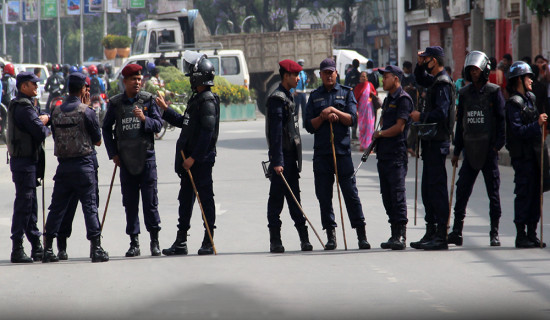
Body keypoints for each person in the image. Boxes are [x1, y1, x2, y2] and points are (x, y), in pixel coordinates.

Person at [41, 72, 109, 263]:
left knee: (56, 209)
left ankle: (48, 249)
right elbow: (97, 141)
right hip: (84, 166)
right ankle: (96, 249)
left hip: (63, 167)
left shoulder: (56, 111)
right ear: (82, 89)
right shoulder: (86, 111)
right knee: (90, 207)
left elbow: (55, 136)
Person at [157, 51, 220, 256]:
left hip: (199, 163)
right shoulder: (197, 99)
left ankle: (208, 240)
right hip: (189, 163)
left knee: (205, 201)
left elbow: (207, 134)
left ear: (198, 76)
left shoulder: (207, 100)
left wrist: (193, 158)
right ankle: (181, 241)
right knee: (185, 201)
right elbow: (185, 123)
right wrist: (166, 110)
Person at [304, 58, 370, 250]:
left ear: (336, 73)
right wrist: (322, 116)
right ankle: (330, 235)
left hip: (342, 153)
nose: (328, 75)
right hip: (322, 154)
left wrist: (334, 111)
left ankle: (361, 234)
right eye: (325, 72)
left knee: (350, 194)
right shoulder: (314, 96)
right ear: (320, 75)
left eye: (331, 72)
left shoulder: (346, 93)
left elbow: (352, 119)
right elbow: (309, 125)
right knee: (324, 197)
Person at [102, 64, 164, 257]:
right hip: (126, 161)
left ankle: (154, 241)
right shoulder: (116, 103)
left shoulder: (148, 100)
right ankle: (133, 242)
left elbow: (158, 125)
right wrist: (113, 154)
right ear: (125, 81)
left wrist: (145, 119)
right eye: (133, 79)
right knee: (130, 203)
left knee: (150, 201)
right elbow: (105, 129)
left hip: (146, 158)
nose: (137, 83)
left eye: (139, 79)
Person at [448, 51, 506, 247]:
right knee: (462, 191)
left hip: (489, 151)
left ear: (484, 70)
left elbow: (501, 121)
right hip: (469, 149)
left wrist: (497, 146)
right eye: (471, 70)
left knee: (493, 194)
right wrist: (456, 151)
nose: (474, 73)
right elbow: (461, 124)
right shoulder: (464, 94)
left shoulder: (494, 92)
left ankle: (494, 232)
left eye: (477, 70)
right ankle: (456, 231)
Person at [263, 59, 312, 253]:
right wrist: (277, 161)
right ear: (286, 76)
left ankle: (304, 239)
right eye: (295, 75)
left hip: (290, 158)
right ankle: (275, 240)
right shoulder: (277, 99)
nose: (298, 78)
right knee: (276, 201)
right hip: (281, 160)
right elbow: (275, 134)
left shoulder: (288, 96)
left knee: (295, 200)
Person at [410, 46, 455, 250]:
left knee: (437, 189)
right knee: (427, 189)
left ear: (434, 61)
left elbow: (442, 113)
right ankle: (431, 230)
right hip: (429, 142)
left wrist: (422, 117)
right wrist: (419, 65)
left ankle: (441, 235)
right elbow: (420, 79)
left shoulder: (443, 83)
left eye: (427, 59)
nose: (425, 61)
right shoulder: (435, 81)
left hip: (438, 142)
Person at [6, 72, 50, 263]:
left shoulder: (25, 105)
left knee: (30, 205)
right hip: (24, 163)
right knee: (24, 205)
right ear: (24, 86)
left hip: (27, 162)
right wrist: (44, 122)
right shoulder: (23, 107)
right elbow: (40, 132)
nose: (36, 87)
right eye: (33, 84)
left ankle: (36, 245)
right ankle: (17, 247)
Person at [505, 61, 548, 248]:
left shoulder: (531, 97)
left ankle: (532, 232)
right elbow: (517, 131)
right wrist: (536, 124)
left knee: (536, 195)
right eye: (528, 77)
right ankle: (521, 235)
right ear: (519, 80)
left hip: (536, 154)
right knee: (524, 194)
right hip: (523, 157)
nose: (531, 79)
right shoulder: (513, 103)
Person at [374, 66, 413, 250]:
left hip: (396, 154)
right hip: (384, 155)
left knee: (397, 195)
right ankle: (393, 233)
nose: (383, 80)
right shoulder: (388, 98)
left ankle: (401, 235)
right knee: (387, 196)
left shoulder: (403, 99)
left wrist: (380, 134)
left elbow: (399, 128)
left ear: (396, 79)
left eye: (386, 77)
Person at [354, 71, 378, 150]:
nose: (363, 78)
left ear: (367, 78)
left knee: (370, 127)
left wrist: (372, 94)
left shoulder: (370, 85)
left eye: (364, 76)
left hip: (369, 109)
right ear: (359, 78)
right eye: (362, 76)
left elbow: (375, 93)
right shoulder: (357, 87)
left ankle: (368, 146)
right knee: (362, 128)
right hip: (361, 110)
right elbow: (355, 99)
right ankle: (362, 144)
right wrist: (356, 110)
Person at [403, 61, 420, 156]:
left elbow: (418, 87)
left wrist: (412, 88)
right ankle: (405, 147)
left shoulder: (413, 77)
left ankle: (411, 147)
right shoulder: (401, 78)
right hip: (403, 105)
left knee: (413, 126)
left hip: (412, 104)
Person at [294, 59, 308, 123]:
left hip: (303, 93)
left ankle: (304, 123)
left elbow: (305, 83)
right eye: (299, 65)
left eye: (301, 66)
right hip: (297, 93)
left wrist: (307, 82)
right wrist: (293, 91)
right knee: (296, 109)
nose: (301, 67)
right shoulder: (295, 73)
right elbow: (291, 83)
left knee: (304, 109)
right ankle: (295, 123)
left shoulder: (304, 73)